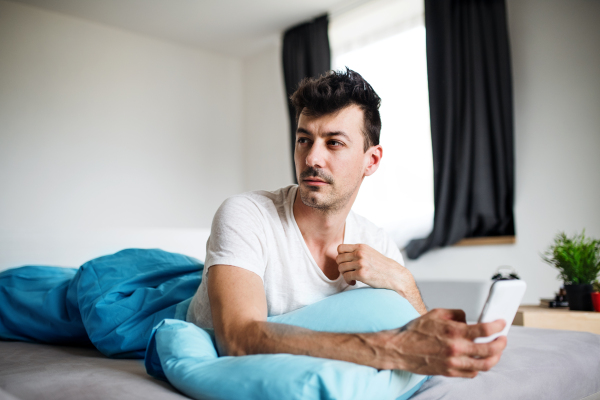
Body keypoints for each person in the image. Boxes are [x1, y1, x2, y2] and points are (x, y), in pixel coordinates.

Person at [187, 68, 506, 378]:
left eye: (334, 142)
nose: (312, 158)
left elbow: (423, 345)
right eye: (304, 140)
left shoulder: (376, 241)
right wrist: (386, 349)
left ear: (372, 160)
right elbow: (237, 339)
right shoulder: (246, 215)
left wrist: (402, 279)